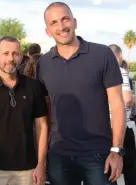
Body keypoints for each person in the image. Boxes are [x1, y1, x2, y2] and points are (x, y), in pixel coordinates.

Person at [36, 2, 126, 185]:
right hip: (59, 156)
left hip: (98, 154)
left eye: (65, 19)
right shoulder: (43, 64)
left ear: (75, 22)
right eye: (54, 23)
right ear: (47, 31)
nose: (61, 27)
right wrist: (43, 159)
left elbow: (117, 104)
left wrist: (117, 150)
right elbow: (45, 113)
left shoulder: (102, 54)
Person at [0, 36, 49, 185]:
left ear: (20, 56)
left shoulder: (33, 87)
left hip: (27, 170)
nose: (10, 58)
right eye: (6, 53)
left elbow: (42, 127)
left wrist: (41, 165)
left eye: (15, 53)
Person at [109, 44, 136, 185]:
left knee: (109, 171)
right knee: (130, 169)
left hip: (106, 128)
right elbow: (128, 99)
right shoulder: (120, 71)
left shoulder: (101, 72)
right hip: (123, 127)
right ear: (119, 57)